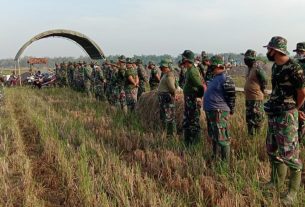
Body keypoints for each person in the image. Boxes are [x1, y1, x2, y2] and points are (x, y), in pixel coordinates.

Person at [263, 36, 305, 206]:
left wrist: (295, 108)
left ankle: (292, 192)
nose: (267, 52)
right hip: (274, 113)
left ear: (276, 50)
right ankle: (275, 182)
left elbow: (302, 92)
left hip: (287, 115)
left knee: (290, 155)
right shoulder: (275, 67)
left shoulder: (294, 68)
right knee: (272, 149)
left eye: (269, 49)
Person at [204, 55, 236, 162]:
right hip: (212, 111)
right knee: (214, 136)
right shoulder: (215, 78)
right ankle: (216, 157)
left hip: (219, 111)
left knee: (222, 138)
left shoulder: (226, 78)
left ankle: (225, 164)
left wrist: (231, 109)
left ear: (218, 66)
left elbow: (231, 96)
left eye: (212, 67)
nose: (211, 69)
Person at [181, 50, 204, 146]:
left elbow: (200, 86)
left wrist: (199, 97)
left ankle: (195, 143)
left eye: (183, 58)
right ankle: (188, 142)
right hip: (189, 99)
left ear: (186, 60)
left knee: (194, 121)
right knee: (188, 120)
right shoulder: (190, 70)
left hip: (192, 99)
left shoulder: (192, 72)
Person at [243, 49, 267, 136]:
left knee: (257, 120)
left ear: (253, 59)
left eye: (247, 58)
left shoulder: (257, 68)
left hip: (256, 99)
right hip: (248, 99)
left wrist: (262, 90)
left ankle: (257, 138)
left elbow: (264, 80)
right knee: (249, 119)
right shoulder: (249, 68)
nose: (245, 60)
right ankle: (251, 136)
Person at [157, 59, 177, 137]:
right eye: (161, 66)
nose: (161, 68)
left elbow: (172, 88)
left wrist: (174, 94)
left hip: (166, 97)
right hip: (163, 97)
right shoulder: (165, 74)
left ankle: (171, 135)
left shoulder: (169, 75)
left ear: (168, 66)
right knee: (165, 116)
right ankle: (167, 133)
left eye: (163, 66)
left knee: (169, 117)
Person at [293, 42, 305, 144]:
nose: (299, 53)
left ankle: (300, 140)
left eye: (301, 51)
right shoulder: (295, 63)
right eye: (298, 51)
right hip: (297, 94)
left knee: (302, 119)